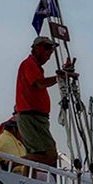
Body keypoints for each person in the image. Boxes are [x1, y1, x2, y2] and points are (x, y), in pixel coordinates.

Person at [14, 35, 62, 166]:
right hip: (31, 116)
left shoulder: (35, 66)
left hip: (35, 117)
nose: (49, 53)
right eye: (47, 48)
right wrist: (61, 76)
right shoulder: (29, 64)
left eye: (51, 50)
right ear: (36, 48)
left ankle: (24, 174)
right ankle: (12, 164)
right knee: (49, 155)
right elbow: (39, 83)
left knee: (40, 154)